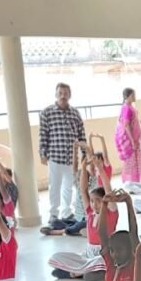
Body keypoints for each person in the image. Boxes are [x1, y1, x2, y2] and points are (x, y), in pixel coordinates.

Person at [48, 156, 118, 280]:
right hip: (89, 253)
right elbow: (83, 189)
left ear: (105, 200)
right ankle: (82, 271)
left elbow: (108, 190)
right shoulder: (90, 213)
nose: (94, 204)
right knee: (55, 256)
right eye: (92, 201)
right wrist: (84, 166)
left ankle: (74, 273)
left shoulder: (111, 213)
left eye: (98, 201)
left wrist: (100, 169)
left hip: (104, 255)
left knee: (98, 264)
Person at [39, 82, 86, 231]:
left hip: (71, 159)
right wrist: (42, 153)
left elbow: (81, 133)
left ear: (70, 95)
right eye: (60, 93)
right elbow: (43, 134)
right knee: (54, 187)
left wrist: (84, 153)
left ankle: (66, 213)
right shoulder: (47, 112)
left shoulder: (75, 113)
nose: (63, 96)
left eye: (66, 93)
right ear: (56, 94)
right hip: (55, 156)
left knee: (68, 187)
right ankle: (53, 214)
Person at [115, 87, 141, 185]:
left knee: (136, 161)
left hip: (135, 140)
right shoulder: (126, 108)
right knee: (131, 163)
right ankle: (131, 183)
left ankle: (136, 182)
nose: (134, 97)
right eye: (132, 95)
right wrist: (132, 141)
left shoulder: (129, 107)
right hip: (131, 142)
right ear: (127, 96)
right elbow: (126, 125)